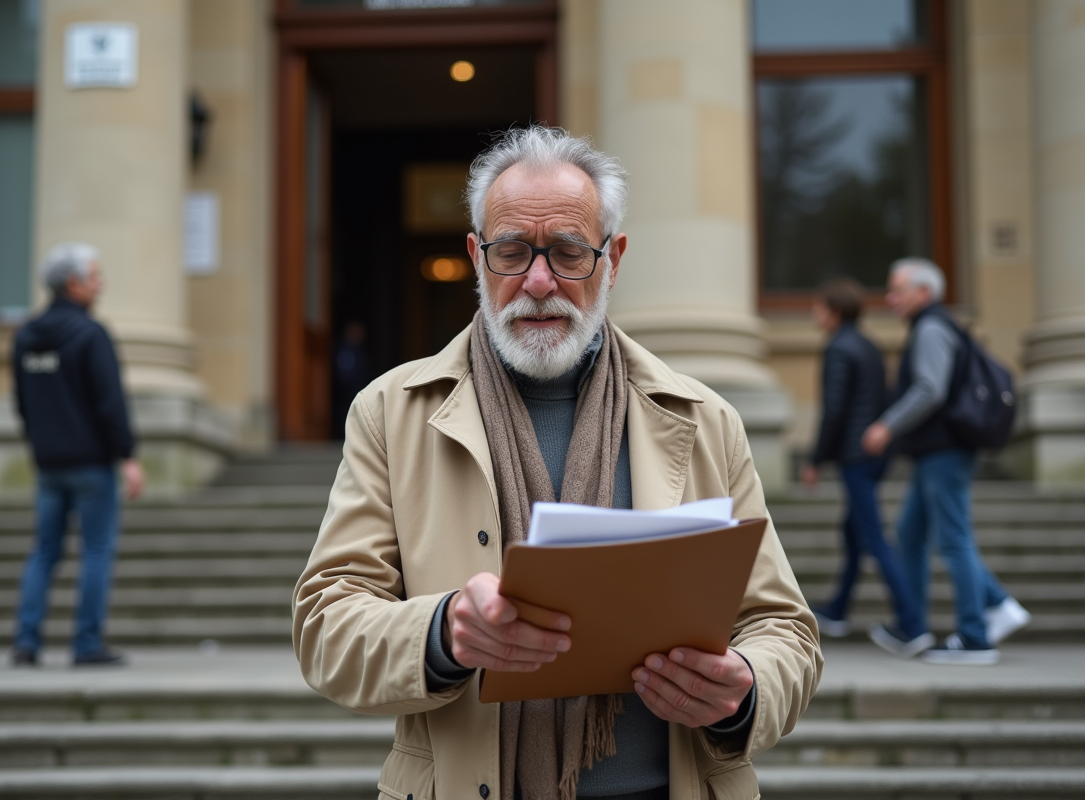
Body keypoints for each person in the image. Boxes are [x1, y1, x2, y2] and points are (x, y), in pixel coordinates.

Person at [293, 127, 821, 800]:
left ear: (612, 258)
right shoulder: (390, 413)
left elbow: (785, 630)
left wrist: (744, 689)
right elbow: (326, 626)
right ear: (476, 257)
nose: (538, 282)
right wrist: (441, 633)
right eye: (511, 251)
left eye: (569, 252)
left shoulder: (705, 420)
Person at [862, 258, 1030, 665]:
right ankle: (915, 624)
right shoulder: (935, 325)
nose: (890, 298)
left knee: (953, 538)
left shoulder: (931, 328)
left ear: (924, 292)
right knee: (911, 532)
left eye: (897, 290)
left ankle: (975, 636)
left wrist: (886, 426)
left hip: (945, 450)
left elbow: (930, 389)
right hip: (936, 450)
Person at [10, 243, 144, 668]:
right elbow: (110, 403)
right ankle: (86, 644)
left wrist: (39, 444)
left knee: (44, 551)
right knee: (96, 551)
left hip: (48, 464)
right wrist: (127, 456)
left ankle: (26, 642)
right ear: (73, 284)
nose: (100, 284)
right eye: (94, 276)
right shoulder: (90, 334)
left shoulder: (25, 336)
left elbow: (22, 403)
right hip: (91, 465)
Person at [801, 278, 931, 655]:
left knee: (873, 537)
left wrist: (815, 459)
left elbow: (834, 409)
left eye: (819, 307)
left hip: (855, 455)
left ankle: (912, 626)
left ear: (834, 311)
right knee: (854, 532)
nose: (815, 313)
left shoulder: (838, 347)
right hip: (875, 454)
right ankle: (838, 610)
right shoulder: (869, 345)